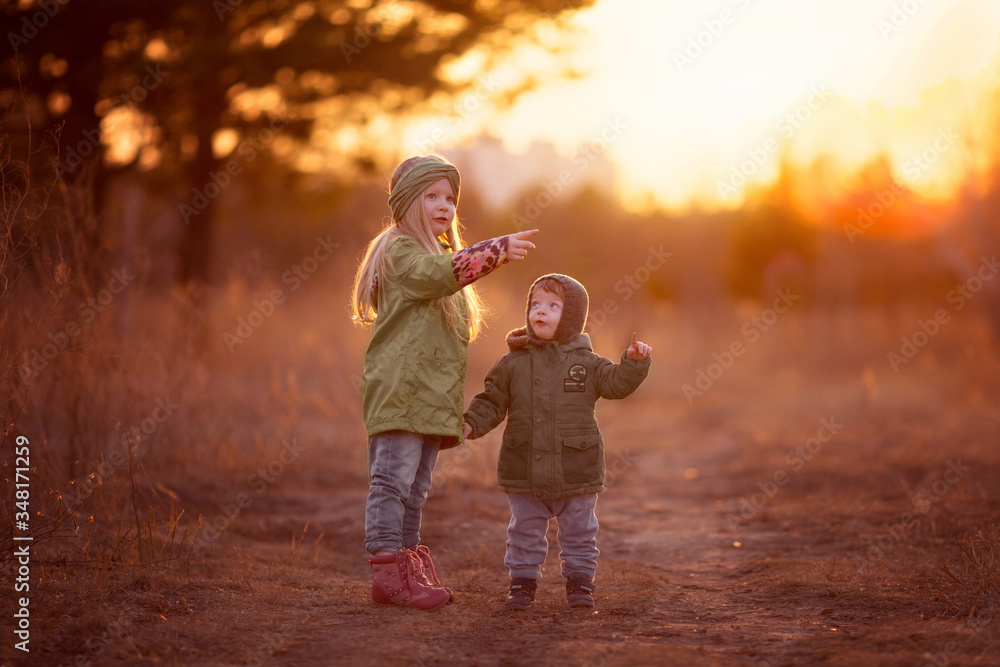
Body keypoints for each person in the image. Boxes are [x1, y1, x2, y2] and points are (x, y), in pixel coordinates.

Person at [351, 154, 538, 611]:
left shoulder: (436, 254)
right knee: (391, 483)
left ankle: (409, 569)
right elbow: (437, 276)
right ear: (406, 201)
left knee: (415, 490)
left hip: (429, 401)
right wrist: (494, 250)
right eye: (431, 195)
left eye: (450, 198)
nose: (444, 206)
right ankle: (387, 573)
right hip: (401, 393)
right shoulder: (401, 251)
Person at [463, 274, 651, 610]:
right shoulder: (512, 364)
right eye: (535, 304)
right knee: (524, 531)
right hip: (525, 467)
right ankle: (522, 585)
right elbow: (491, 401)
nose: (541, 311)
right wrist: (470, 423)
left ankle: (580, 585)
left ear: (572, 317)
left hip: (576, 467)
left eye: (553, 306)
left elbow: (615, 384)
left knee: (579, 532)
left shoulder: (587, 363)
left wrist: (634, 364)